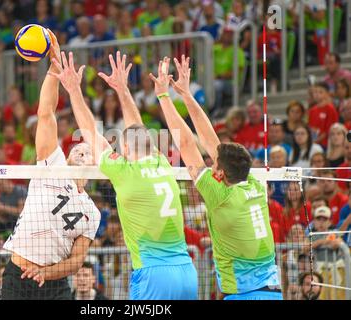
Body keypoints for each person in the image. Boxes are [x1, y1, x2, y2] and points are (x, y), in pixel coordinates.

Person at [50, 51, 197, 300]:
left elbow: (90, 133)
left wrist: (74, 89)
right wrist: (122, 90)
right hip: (187, 272)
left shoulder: (124, 172)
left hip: (153, 275)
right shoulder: (162, 162)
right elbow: (136, 129)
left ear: (126, 149)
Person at [152, 55, 281, 300]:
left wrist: (163, 96)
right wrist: (186, 95)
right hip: (274, 292)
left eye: (214, 164)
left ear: (220, 173)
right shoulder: (253, 184)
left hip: (244, 294)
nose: (210, 165)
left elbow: (187, 143)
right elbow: (213, 143)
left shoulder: (220, 195)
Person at [1, 34, 101, 300]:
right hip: (18, 276)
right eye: (77, 149)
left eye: (88, 151)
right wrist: (55, 66)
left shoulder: (92, 212)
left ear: (95, 165)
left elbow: (78, 259)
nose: (82, 151)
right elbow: (46, 113)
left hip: (53, 283)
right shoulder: (51, 165)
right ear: (66, 158)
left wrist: (47, 273)